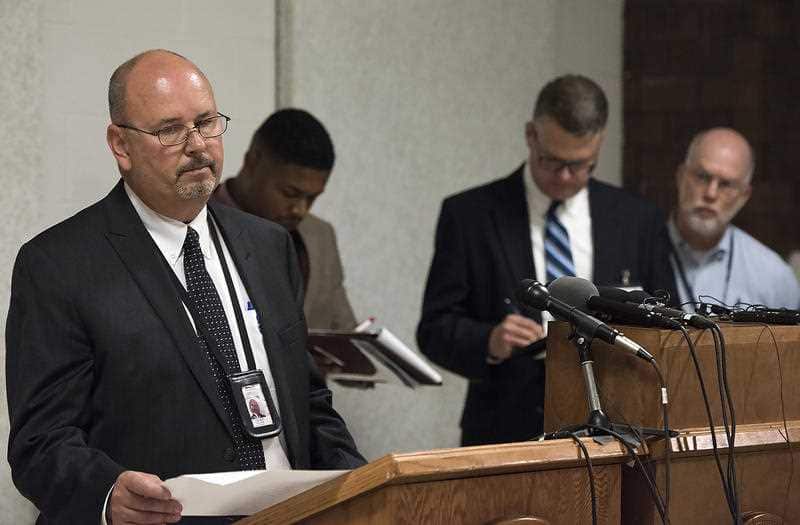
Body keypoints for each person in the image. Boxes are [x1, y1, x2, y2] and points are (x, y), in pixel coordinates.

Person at [5, 49, 364, 525]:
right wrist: (108, 493)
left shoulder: (270, 246)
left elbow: (310, 402)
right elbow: (41, 442)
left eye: (207, 122)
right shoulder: (58, 264)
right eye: (171, 130)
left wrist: (362, 485)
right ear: (121, 145)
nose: (198, 145)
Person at [417, 74, 676, 446]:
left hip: (621, 425)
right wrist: (490, 340)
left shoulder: (638, 220)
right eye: (551, 161)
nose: (565, 176)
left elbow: (668, 319)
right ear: (530, 135)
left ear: (599, 144)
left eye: (582, 165)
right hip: (505, 427)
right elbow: (434, 329)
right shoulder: (470, 215)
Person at [213, 109, 357, 330]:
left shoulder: (320, 237)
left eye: (312, 198)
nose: (300, 209)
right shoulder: (192, 223)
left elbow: (344, 330)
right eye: (290, 193)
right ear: (252, 162)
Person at [669, 127, 800, 310]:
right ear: (681, 176)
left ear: (744, 196)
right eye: (702, 177)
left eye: (726, 185)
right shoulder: (639, 251)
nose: (711, 193)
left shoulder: (774, 276)